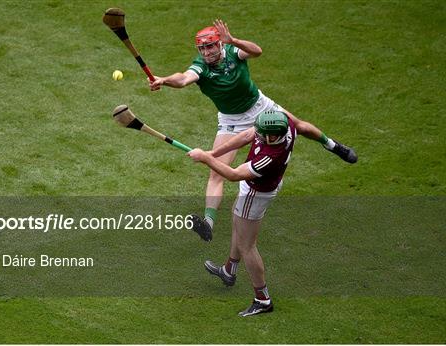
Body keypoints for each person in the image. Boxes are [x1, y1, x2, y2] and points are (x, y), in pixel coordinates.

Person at [151, 19, 357, 241]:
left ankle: (333, 146)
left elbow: (257, 51)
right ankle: (208, 223)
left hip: (260, 108)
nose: (206, 52)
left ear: (219, 44)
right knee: (216, 170)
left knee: (299, 126)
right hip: (231, 121)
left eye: (210, 46)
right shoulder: (200, 67)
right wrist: (164, 80)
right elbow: (182, 79)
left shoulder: (232, 51)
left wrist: (234, 40)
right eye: (202, 48)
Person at [188, 109, 301, 316]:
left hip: (255, 194)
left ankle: (263, 299)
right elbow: (248, 134)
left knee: (247, 246)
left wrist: (206, 159)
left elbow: (233, 175)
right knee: (237, 222)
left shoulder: (270, 157)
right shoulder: (286, 125)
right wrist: (215, 153)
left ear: (273, 136)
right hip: (259, 188)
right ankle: (229, 270)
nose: (256, 133)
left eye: (261, 133)